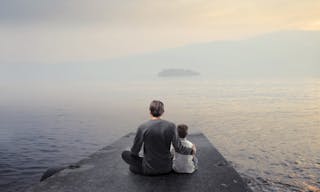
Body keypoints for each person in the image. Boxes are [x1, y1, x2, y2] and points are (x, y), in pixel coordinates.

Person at [121, 100, 196, 175]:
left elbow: (135, 151)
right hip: (167, 168)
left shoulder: (142, 127)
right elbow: (179, 148)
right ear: (163, 112)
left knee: (125, 153)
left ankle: (138, 166)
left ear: (150, 111)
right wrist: (191, 150)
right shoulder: (171, 126)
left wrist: (137, 154)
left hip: (149, 169)